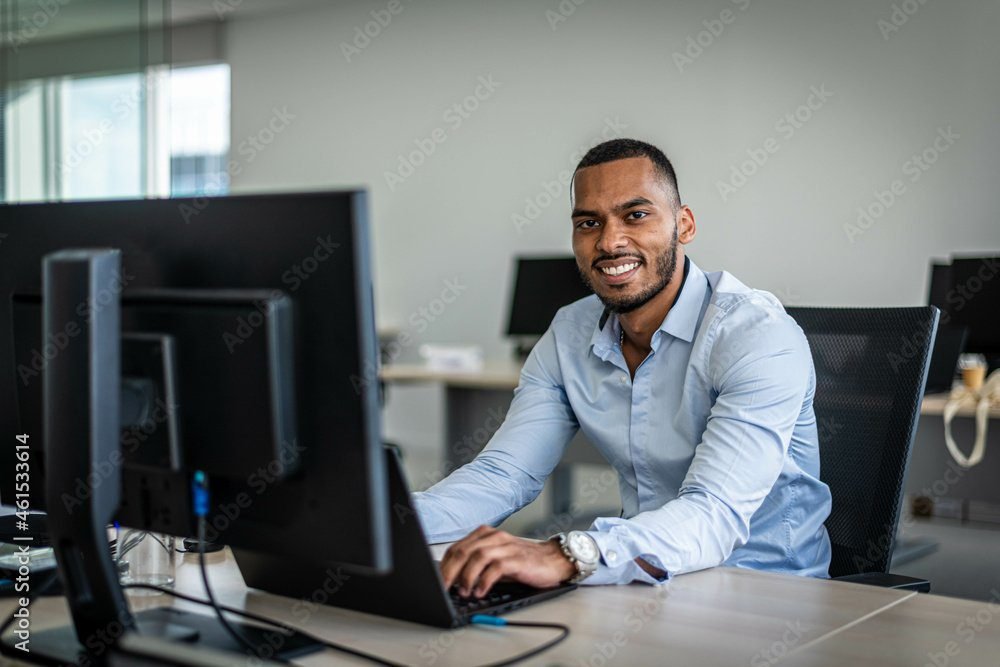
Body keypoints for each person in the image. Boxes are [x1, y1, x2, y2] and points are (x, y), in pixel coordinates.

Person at [412, 138, 832, 598]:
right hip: (641, 581)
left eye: (636, 215)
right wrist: (385, 524)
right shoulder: (569, 332)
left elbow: (714, 512)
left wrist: (567, 554)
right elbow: (503, 475)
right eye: (589, 222)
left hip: (768, 595)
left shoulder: (755, 334)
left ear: (684, 224)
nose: (610, 242)